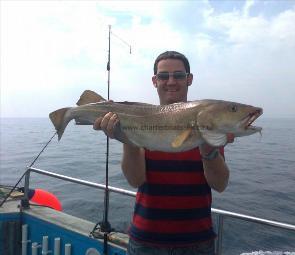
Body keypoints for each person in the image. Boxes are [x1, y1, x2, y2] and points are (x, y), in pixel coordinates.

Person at [93, 51, 234, 255]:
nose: (170, 81)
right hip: (146, 241)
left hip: (198, 242)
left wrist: (207, 146)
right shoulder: (140, 121)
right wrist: (127, 139)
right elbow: (135, 180)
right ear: (154, 81)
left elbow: (220, 185)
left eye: (178, 75)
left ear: (189, 79)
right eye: (163, 76)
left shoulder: (209, 123)